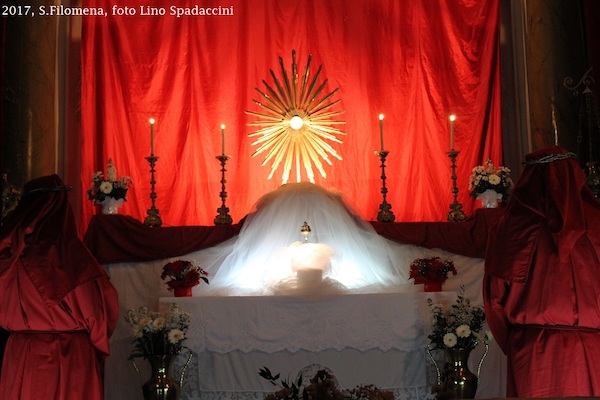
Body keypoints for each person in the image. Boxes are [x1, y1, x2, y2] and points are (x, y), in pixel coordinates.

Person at [483, 146, 600, 397]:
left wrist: (517, 340)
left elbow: (495, 300)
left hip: (534, 355)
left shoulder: (510, 228)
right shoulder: (596, 223)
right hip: (593, 352)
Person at [0, 175, 119, 399]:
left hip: (22, 354)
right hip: (69, 356)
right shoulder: (73, 258)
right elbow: (100, 315)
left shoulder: (8, 255)